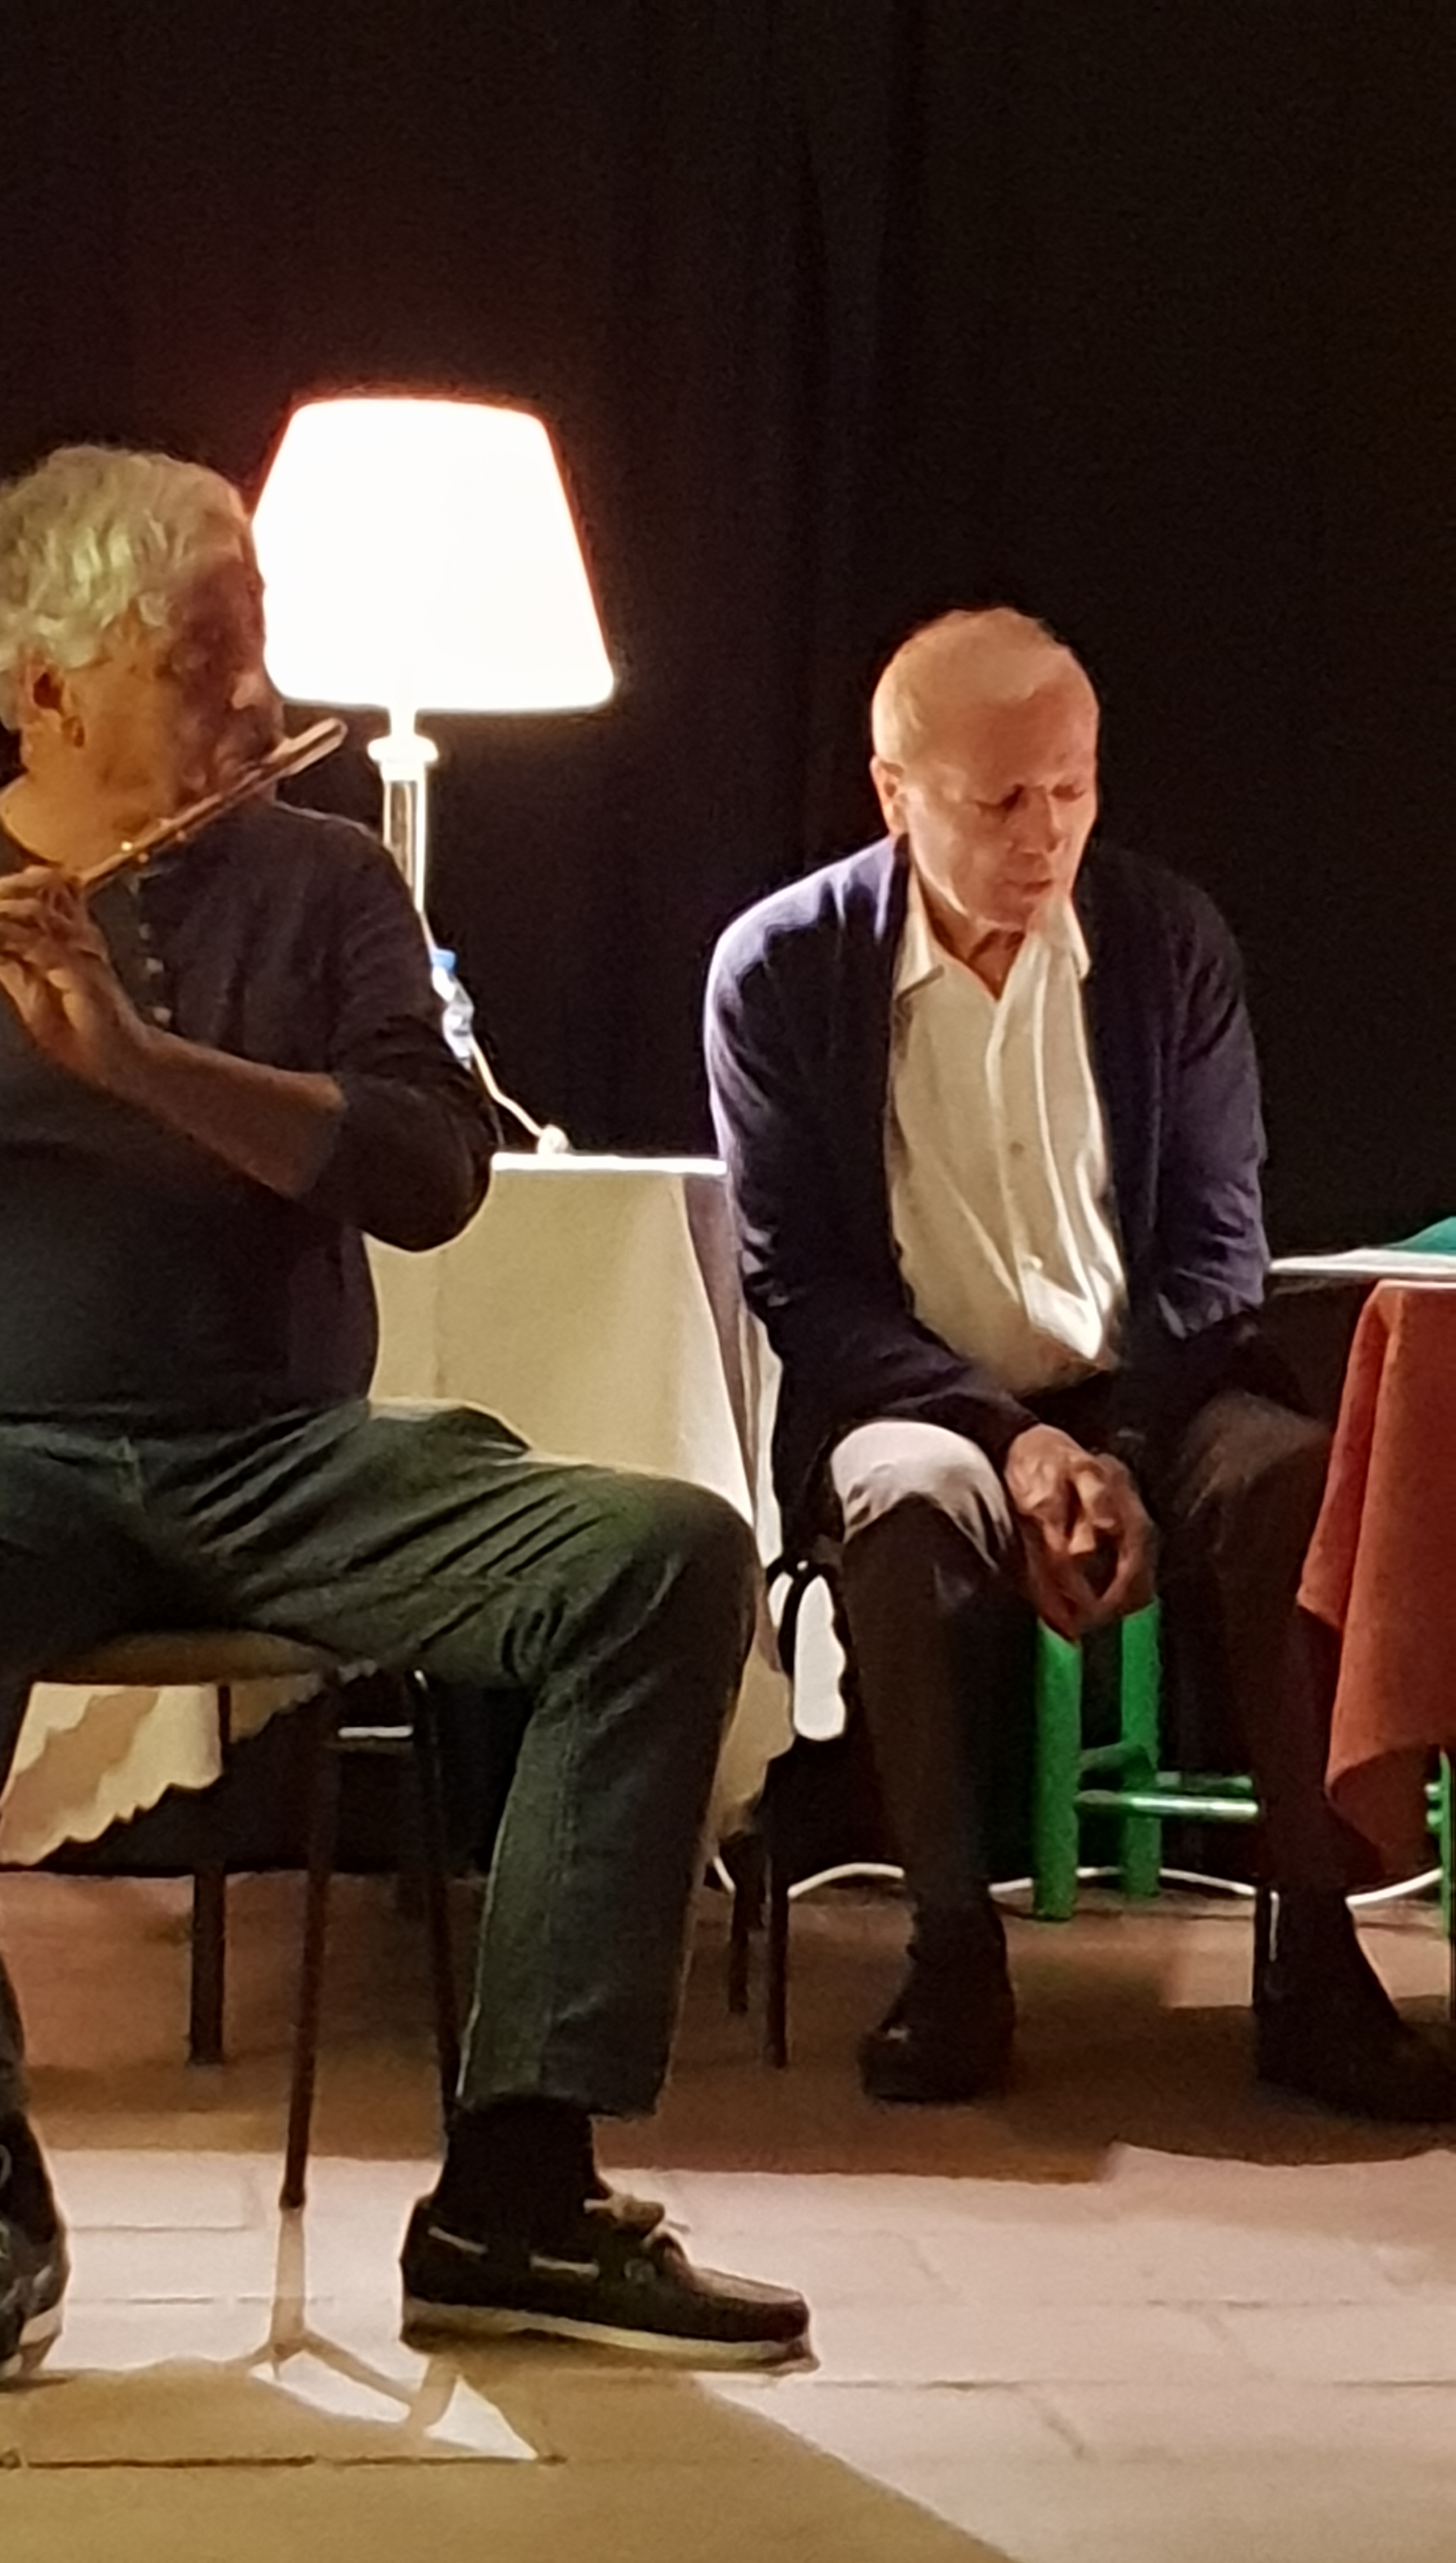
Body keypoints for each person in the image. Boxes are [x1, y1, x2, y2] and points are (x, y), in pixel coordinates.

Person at [0, 444, 807, 2386]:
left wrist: (145, 1066)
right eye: (199, 660)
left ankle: (515, 2190)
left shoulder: (328, 889)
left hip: (281, 1464)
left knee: (660, 1555)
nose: (254, 694)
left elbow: (428, 1170)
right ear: (46, 689)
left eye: (252, 644)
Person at [704, 606, 1452, 2122]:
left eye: (1072, 788)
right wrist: (1014, 1440)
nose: (1044, 834)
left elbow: (1220, 1250)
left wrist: (1117, 1449)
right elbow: (802, 1285)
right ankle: (952, 1952)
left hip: (1157, 1387)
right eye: (999, 800)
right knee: (905, 1508)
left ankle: (1317, 1959)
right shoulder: (780, 969)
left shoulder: (1166, 941)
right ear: (894, 793)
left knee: (1296, 1484)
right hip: (919, 1395)